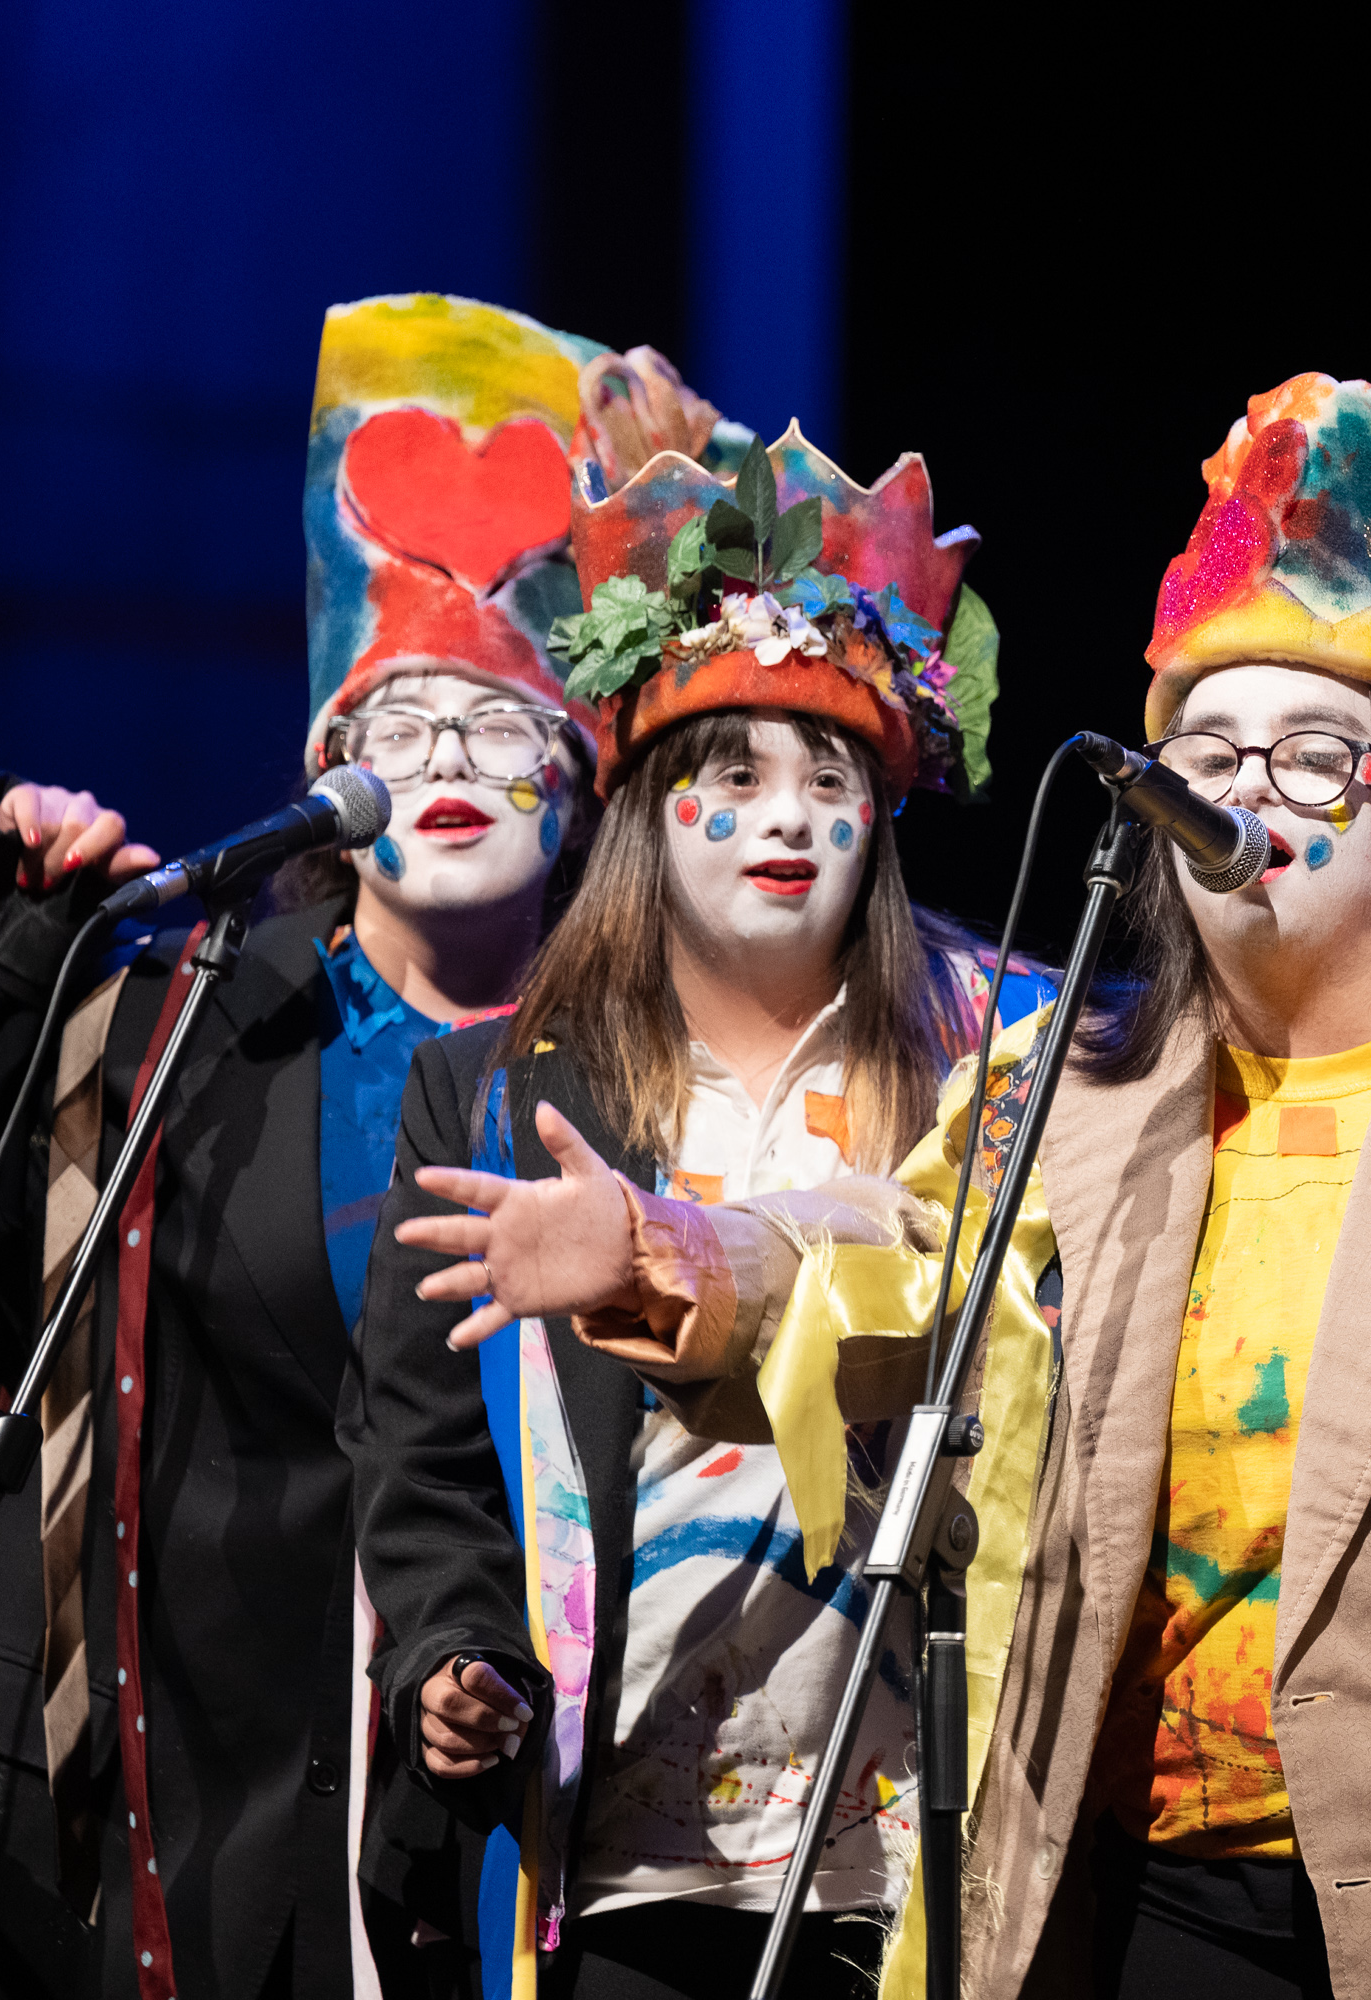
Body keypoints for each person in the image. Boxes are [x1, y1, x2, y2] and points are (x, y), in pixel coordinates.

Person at [387, 374, 1371, 1998]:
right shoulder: (1071, 1097)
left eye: (1316, 754)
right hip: (1143, 1902)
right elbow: (886, 1251)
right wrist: (660, 1249)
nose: (1246, 792)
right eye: (1211, 749)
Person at [0, 293, 713, 2000]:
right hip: (203, 1834)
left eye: (497, 729)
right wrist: (0, 910)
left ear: (581, 780)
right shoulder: (199, 1031)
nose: (443, 765)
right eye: (396, 730)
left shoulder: (657, 1078)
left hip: (524, 1842)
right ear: (329, 768)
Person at [348, 418, 1029, 1997]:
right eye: (735, 774)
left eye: (831, 775)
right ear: (648, 811)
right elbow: (420, 1444)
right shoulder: (503, 1095)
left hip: (910, 1855)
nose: (787, 817)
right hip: (622, 1854)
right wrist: (459, 1656)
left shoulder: (1000, 1055)